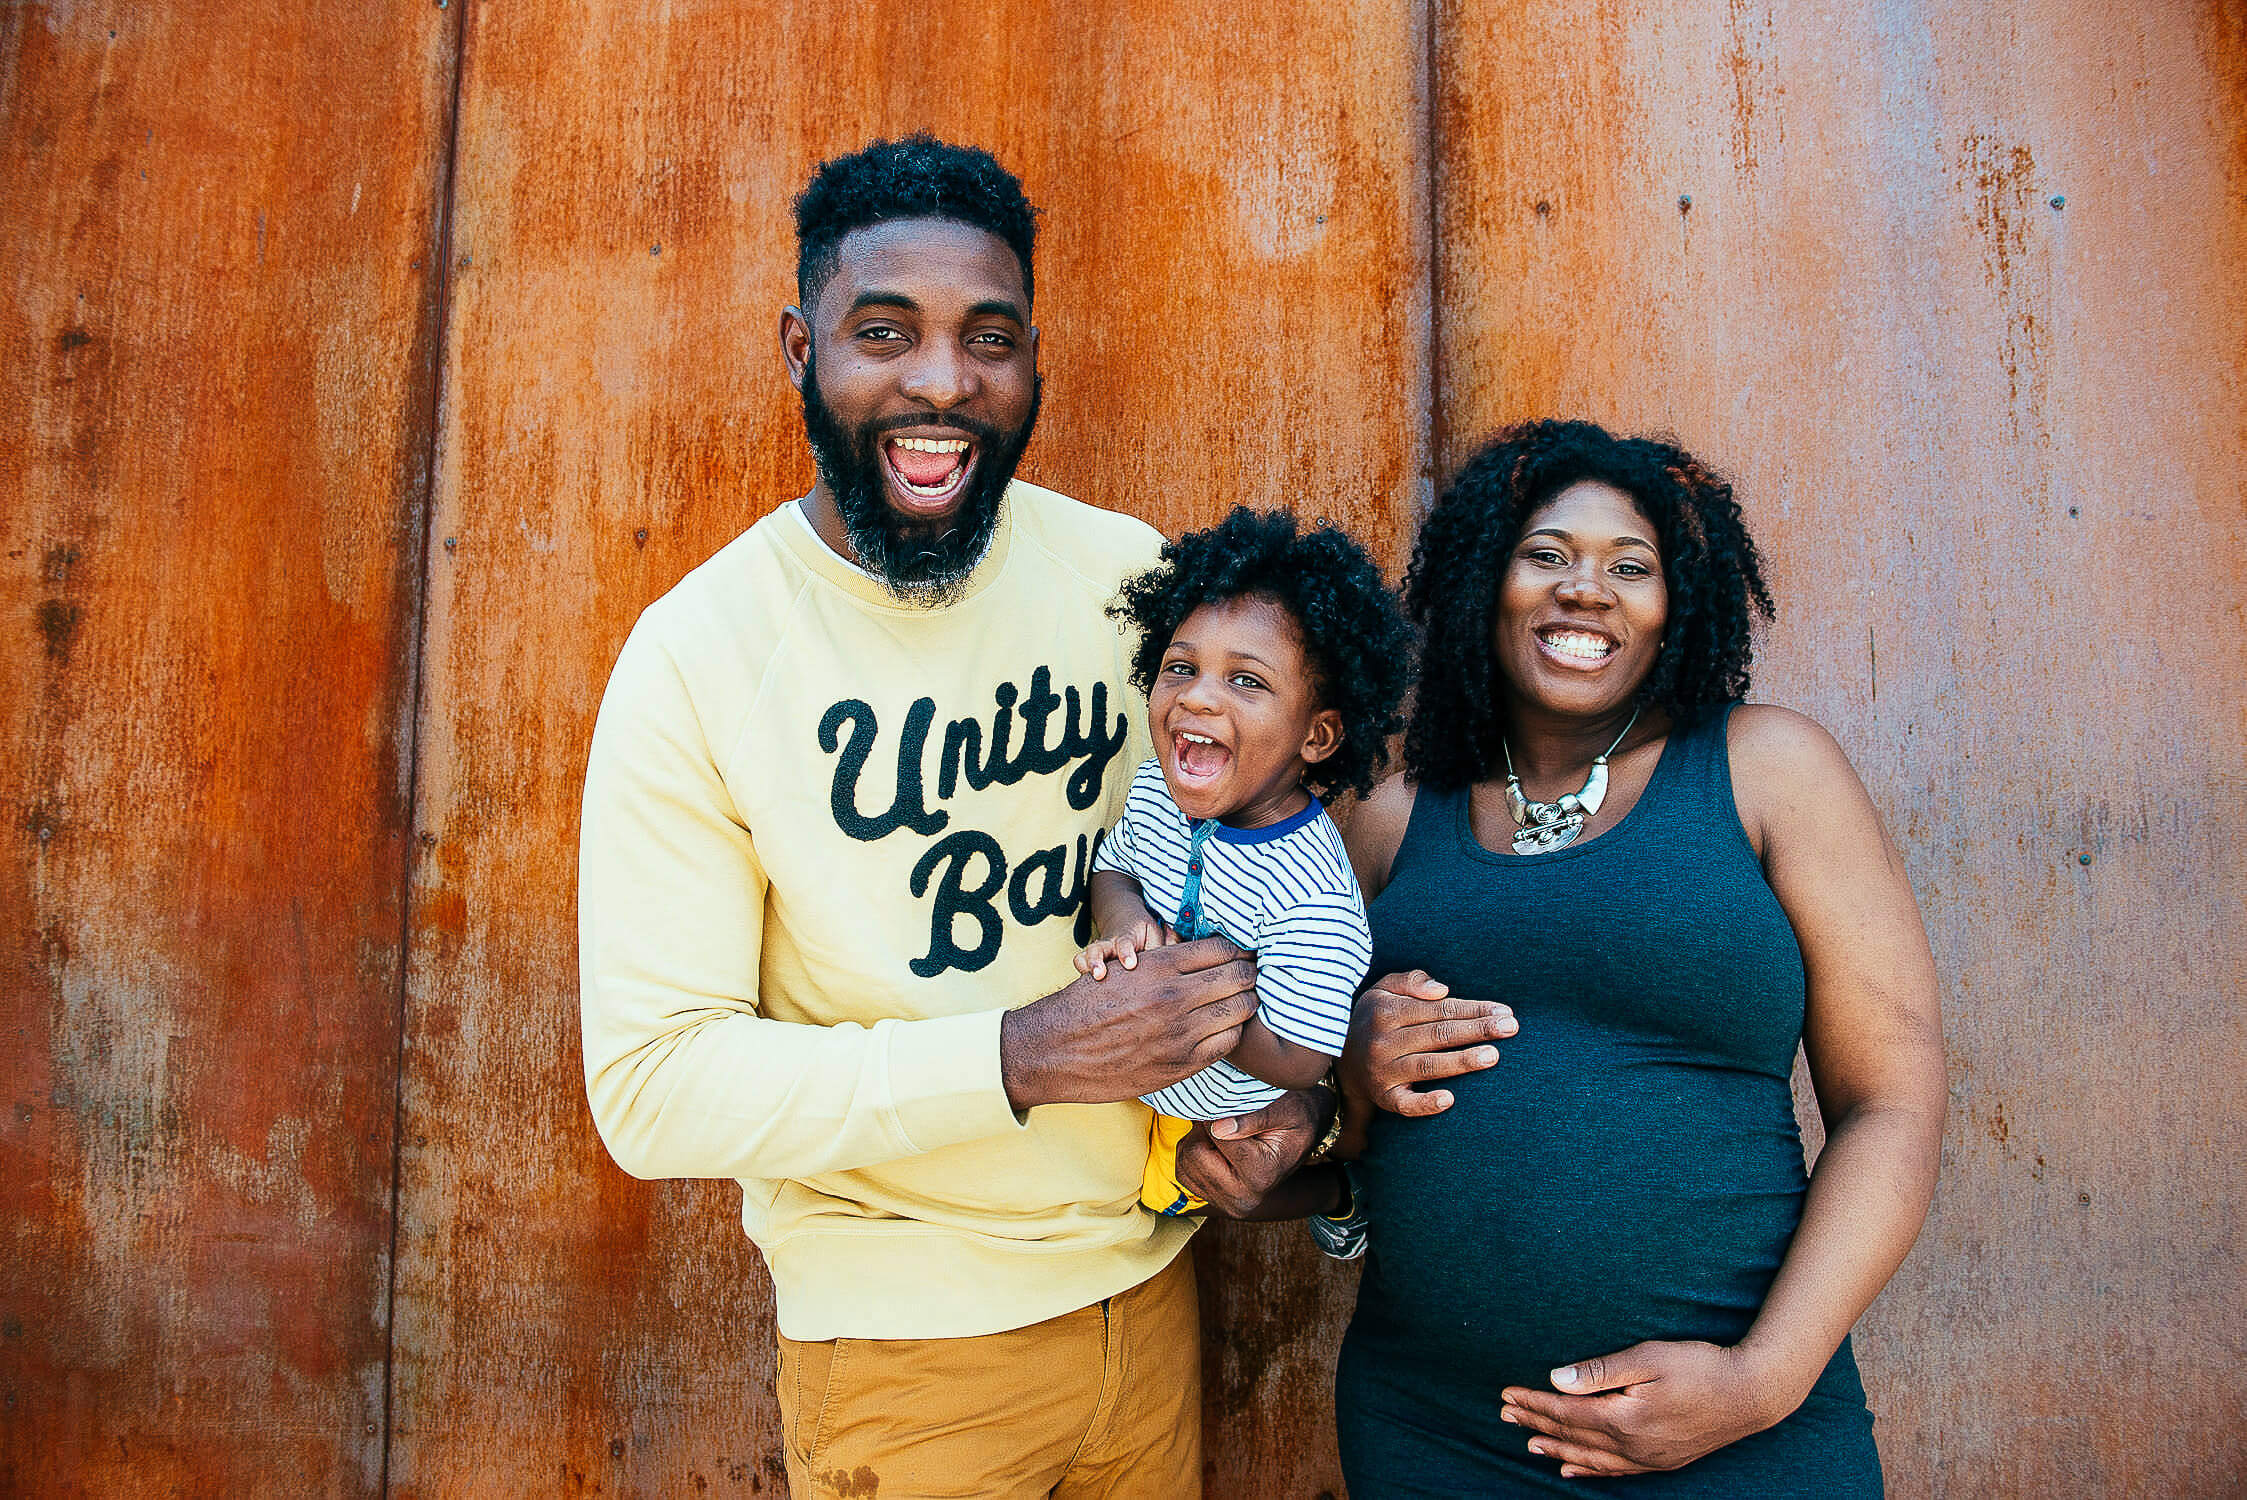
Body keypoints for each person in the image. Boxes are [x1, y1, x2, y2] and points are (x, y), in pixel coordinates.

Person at [577, 135, 1317, 1500]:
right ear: (801, 349)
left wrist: (1292, 1103)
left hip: (1151, 1299)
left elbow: (1258, 867)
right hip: (903, 1351)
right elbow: (650, 1091)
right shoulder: (699, 652)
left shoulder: (1130, 580)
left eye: (988, 338)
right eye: (883, 333)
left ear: (1033, 358)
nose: (939, 381)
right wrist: (1019, 1057)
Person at [1272, 420, 1944, 1494]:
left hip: (1738, 1426)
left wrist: (1762, 1382)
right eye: (1545, 555)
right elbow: (1283, 1117)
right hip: (1437, 1431)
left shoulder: (1767, 772)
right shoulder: (1393, 822)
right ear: (1484, 581)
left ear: (1678, 607)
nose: (1585, 590)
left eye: (1631, 567)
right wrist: (1347, 1065)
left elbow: (1893, 1108)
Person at [1074, 508, 1412, 1217]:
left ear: (1316, 735)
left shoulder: (1310, 894)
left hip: (1223, 1120)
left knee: (1200, 1192)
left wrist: (1178, 1001)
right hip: (1129, 1096)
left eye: (1246, 682)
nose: (1197, 695)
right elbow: (1113, 867)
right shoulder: (1153, 791)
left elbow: (1298, 1057)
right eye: (1180, 667)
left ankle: (1335, 1204)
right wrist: (1125, 922)